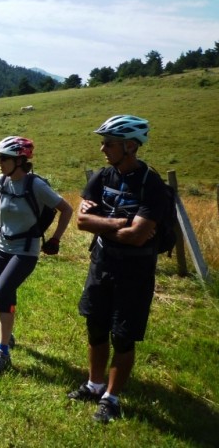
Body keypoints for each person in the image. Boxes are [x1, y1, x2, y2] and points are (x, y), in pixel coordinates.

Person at [69, 115, 167, 423]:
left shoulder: (151, 184)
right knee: (95, 327)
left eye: (108, 143)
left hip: (134, 272)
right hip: (102, 263)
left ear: (130, 146)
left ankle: (111, 398)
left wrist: (105, 226)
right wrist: (118, 223)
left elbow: (137, 237)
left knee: (122, 336)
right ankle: (94, 383)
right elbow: (82, 221)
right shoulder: (102, 177)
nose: (102, 149)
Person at [0, 136, 73, 374]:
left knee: (1, 292)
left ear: (19, 160)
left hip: (26, 250)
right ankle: (7, 337)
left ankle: (2, 352)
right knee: (7, 296)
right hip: (2, 246)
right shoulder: (2, 181)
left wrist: (55, 239)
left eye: (3, 158)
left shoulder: (35, 185)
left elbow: (66, 209)